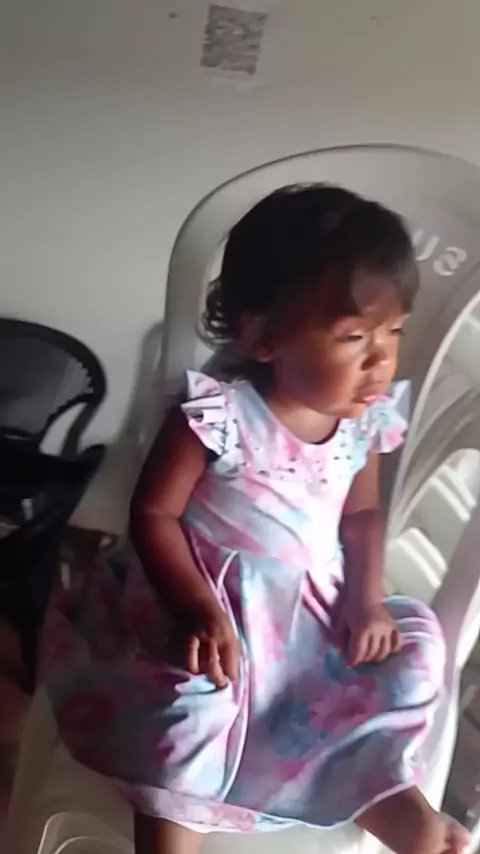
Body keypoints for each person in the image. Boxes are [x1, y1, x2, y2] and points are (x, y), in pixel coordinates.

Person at [41, 185, 471, 854]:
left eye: (394, 332)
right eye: (354, 337)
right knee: (192, 700)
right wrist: (194, 606)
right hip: (207, 602)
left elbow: (361, 516)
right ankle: (169, 840)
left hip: (312, 616)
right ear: (261, 336)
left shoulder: (363, 420)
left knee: (410, 658)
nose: (381, 359)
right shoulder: (218, 415)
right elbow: (153, 513)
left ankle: (393, 805)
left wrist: (365, 600)